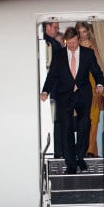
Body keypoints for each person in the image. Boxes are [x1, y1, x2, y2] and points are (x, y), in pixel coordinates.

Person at [40, 27, 104, 174]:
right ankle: (70, 164)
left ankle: (79, 156)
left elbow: (96, 71)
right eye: (69, 43)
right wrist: (45, 91)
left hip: (83, 94)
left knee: (84, 125)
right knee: (66, 128)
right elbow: (52, 76)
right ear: (66, 41)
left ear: (78, 40)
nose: (72, 46)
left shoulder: (88, 53)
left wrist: (99, 84)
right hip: (64, 95)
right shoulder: (59, 55)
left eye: (74, 43)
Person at [75, 22, 104, 157]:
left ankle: (90, 150)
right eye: (80, 32)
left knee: (94, 118)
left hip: (94, 85)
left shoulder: (95, 44)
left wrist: (102, 84)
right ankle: (89, 150)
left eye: (84, 32)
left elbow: (100, 66)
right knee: (84, 118)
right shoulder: (74, 46)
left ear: (88, 31)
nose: (82, 35)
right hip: (81, 85)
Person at [43, 21, 64, 158]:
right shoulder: (53, 45)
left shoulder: (48, 43)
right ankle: (59, 153)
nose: (57, 29)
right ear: (47, 27)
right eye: (55, 27)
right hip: (56, 90)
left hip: (52, 90)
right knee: (58, 123)